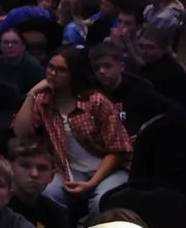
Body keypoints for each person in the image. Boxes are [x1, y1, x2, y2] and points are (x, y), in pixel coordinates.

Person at [12, 46, 131, 213]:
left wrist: (91, 183)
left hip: (109, 169)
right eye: (50, 67)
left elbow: (116, 150)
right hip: (69, 169)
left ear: (74, 74)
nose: (52, 73)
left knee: (100, 201)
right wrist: (31, 94)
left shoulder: (96, 101)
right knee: (47, 193)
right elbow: (22, 133)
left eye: (61, 70)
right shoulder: (44, 100)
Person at [2, 134, 77, 228]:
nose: (34, 174)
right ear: (9, 169)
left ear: (52, 176)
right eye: (25, 166)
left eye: (42, 168)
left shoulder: (56, 213)